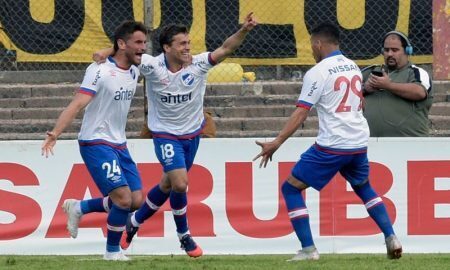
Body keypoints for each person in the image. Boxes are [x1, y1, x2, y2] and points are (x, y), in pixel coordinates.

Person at [94, 12, 257, 257]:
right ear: (167, 47)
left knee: (168, 185)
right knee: (180, 183)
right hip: (165, 135)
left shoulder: (199, 63)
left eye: (188, 43)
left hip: (192, 135)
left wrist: (244, 29)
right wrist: (107, 51)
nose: (187, 48)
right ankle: (185, 237)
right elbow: (126, 52)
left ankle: (134, 223)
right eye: (182, 44)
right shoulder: (151, 65)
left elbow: (225, 48)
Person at [253, 23, 402, 261]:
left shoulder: (318, 72)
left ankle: (309, 250)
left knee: (290, 188)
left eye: (313, 45)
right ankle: (391, 236)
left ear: (318, 44)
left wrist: (276, 142)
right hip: (358, 142)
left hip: (333, 144)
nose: (312, 50)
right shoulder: (352, 66)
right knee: (364, 187)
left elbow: (301, 112)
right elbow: (359, 101)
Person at [41, 20, 148, 261]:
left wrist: (111, 48)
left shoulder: (135, 68)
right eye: (138, 43)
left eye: (144, 43)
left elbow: (135, 53)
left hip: (119, 142)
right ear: (122, 44)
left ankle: (80, 207)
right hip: (95, 141)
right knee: (122, 198)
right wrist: (56, 132)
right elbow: (77, 103)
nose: (143, 48)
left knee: (136, 200)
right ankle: (112, 253)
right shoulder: (98, 70)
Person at [362, 31, 432, 136]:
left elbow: (419, 92)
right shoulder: (370, 71)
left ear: (407, 51)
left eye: (395, 50)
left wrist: (388, 85)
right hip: (370, 144)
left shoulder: (416, 72)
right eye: (386, 50)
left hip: (410, 145)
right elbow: (345, 91)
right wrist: (365, 89)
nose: (390, 54)